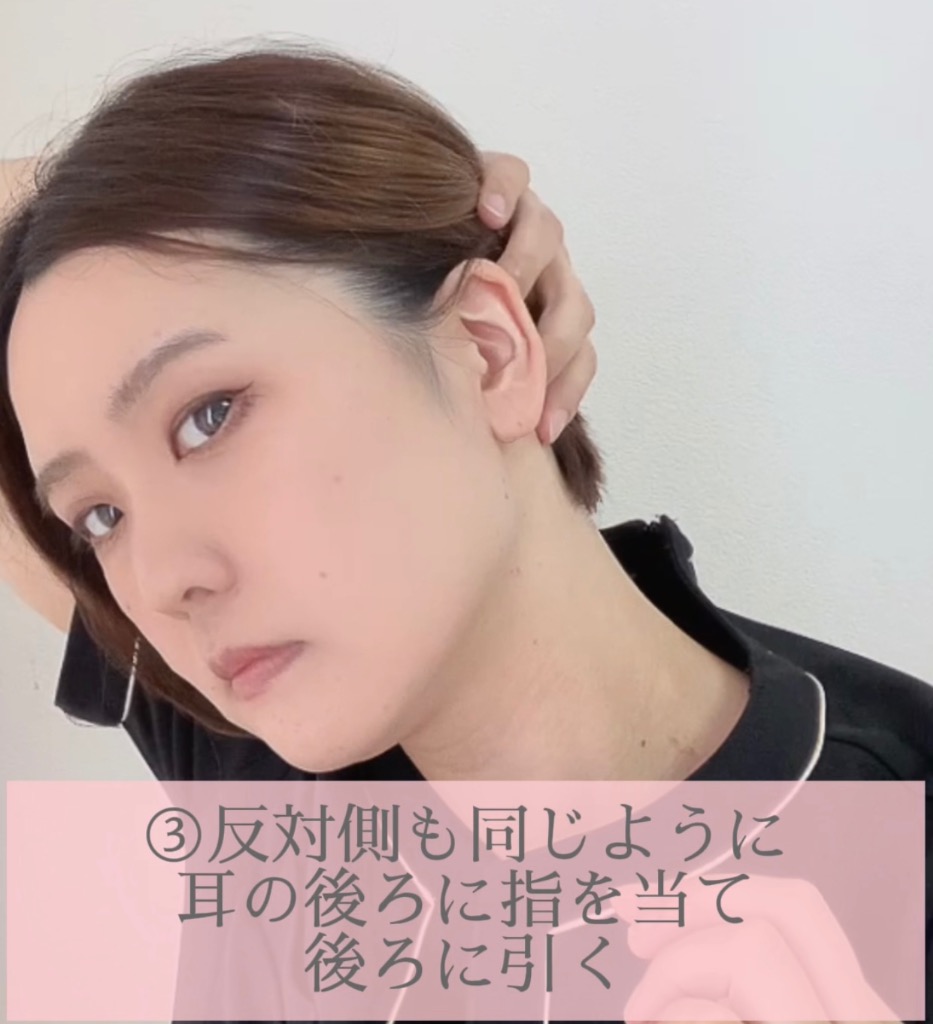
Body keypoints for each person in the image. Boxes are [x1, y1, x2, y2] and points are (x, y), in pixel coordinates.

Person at [0, 44, 929, 1023]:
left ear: (487, 351)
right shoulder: (261, 755)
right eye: (101, 516)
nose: (159, 580)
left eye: (209, 416)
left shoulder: (898, 826)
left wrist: (404, 197)